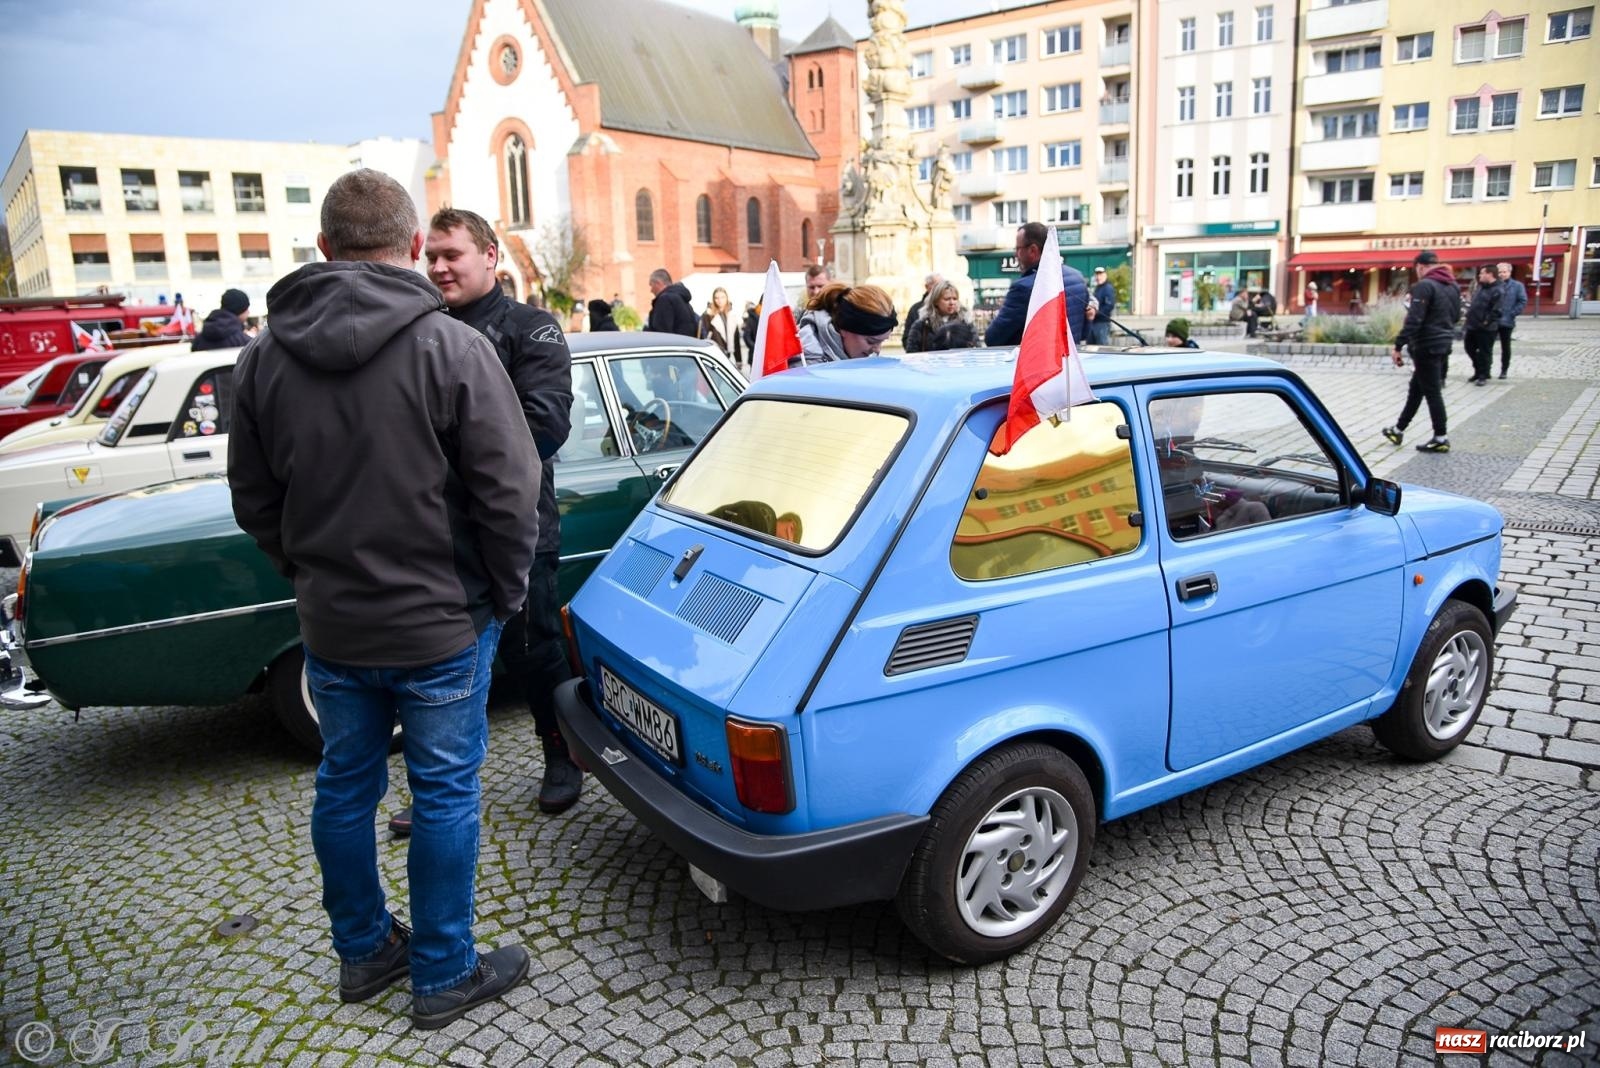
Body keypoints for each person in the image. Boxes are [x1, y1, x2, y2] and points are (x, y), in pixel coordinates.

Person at [227, 168, 539, 1028]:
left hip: (335, 625)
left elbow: (253, 501)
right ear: (408, 250)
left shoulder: (263, 359)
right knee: (441, 794)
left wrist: (308, 576)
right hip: (440, 622)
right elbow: (511, 492)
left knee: (345, 786)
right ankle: (442, 971)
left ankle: (364, 953)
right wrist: (501, 598)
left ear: (323, 249)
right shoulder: (451, 348)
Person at [421, 207, 581, 817]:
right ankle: (440, 783)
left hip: (517, 524)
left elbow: (543, 426)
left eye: (451, 254)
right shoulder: (419, 326)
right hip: (436, 530)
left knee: (534, 647)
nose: (438, 267)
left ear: (490, 256)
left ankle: (561, 751)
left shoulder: (530, 327)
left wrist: (433, 461)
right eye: (431, 255)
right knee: (441, 657)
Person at [1383, 251, 1460, 454]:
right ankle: (1398, 429)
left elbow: (1415, 320)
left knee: (1433, 392)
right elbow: (1457, 315)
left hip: (1426, 345)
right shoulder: (1452, 286)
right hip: (1443, 343)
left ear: (1420, 266)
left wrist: (1398, 345)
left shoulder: (1425, 286)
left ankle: (1441, 437)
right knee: (1416, 389)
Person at [984, 222, 1089, 347]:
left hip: (1041, 364)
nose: (1015, 254)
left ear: (1033, 250)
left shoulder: (1023, 288)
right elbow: (1084, 332)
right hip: (1070, 362)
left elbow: (993, 338)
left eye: (1018, 249)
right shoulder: (1077, 277)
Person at [796, 283, 898, 363]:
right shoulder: (809, 362)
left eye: (882, 341)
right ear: (845, 328)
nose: (877, 349)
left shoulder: (845, 353)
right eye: (871, 341)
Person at [904, 280, 977, 352]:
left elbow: (975, 348)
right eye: (947, 299)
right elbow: (912, 353)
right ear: (936, 301)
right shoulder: (922, 325)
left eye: (955, 299)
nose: (952, 303)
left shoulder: (966, 323)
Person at [1462, 264, 1503, 386]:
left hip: (1486, 327)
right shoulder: (1481, 287)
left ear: (1489, 274)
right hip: (1472, 324)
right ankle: (1478, 370)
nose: (1480, 275)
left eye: (1482, 273)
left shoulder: (1498, 290)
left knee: (1485, 351)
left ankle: (1483, 375)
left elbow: (1497, 310)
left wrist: (1486, 322)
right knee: (1469, 347)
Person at [1495, 262, 1527, 379]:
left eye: (1504, 272)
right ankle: (1484, 371)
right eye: (1500, 272)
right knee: (1486, 346)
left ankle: (1504, 370)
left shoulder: (1517, 286)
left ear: (1509, 272)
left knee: (1505, 347)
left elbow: (1522, 301)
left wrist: (1512, 313)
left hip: (1507, 321)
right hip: (1493, 320)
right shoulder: (1494, 284)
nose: (1502, 274)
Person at [645, 269, 697, 336]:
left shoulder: (665, 300)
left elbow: (661, 331)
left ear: (658, 283)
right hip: (686, 343)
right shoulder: (681, 298)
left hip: (672, 345)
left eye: (651, 285)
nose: (651, 290)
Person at [697, 286, 742, 363]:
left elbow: (736, 337)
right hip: (714, 354)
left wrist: (738, 359)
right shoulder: (708, 315)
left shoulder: (731, 314)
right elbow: (703, 336)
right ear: (713, 299)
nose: (720, 300)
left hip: (728, 354)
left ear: (727, 298)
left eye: (722, 297)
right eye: (716, 298)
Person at [900, 272, 942, 349]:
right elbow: (907, 339)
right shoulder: (916, 309)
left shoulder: (951, 309)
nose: (940, 288)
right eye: (936, 285)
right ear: (927, 286)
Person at [1088, 266, 1117, 345]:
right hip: (1094, 322)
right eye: (1097, 275)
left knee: (1102, 348)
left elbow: (1109, 306)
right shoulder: (1098, 288)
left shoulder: (1107, 288)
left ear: (1105, 275)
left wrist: (1096, 313)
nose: (1098, 277)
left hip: (1102, 323)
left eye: (1100, 274)